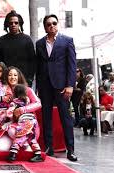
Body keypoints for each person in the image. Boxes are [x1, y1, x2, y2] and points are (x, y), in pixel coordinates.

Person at [35, 14, 77, 161]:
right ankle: (48, 148)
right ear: (45, 27)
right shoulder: (39, 43)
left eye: (54, 23)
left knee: (66, 118)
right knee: (46, 118)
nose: (51, 26)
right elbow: (39, 67)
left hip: (62, 86)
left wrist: (70, 85)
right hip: (45, 86)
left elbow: (72, 65)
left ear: (57, 24)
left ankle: (70, 150)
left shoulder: (67, 41)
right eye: (48, 24)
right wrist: (38, 87)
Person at [0, 67, 42, 162]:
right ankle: (19, 146)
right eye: (10, 75)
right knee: (0, 147)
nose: (12, 77)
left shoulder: (26, 90)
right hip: (6, 127)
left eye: (15, 75)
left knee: (12, 130)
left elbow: (38, 103)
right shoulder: (0, 90)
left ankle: (25, 146)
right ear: (6, 77)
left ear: (19, 77)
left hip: (26, 125)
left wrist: (23, 109)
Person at [4, 84, 43, 162]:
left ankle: (13, 154)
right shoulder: (27, 100)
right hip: (33, 120)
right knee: (31, 138)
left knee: (20, 136)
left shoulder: (14, 102)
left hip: (24, 121)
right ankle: (38, 154)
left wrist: (5, 114)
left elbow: (9, 113)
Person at [0, 10, 36, 86]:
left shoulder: (27, 39)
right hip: (6, 81)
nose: (13, 24)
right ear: (7, 25)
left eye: (16, 23)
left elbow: (33, 61)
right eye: (11, 23)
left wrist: (30, 79)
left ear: (20, 24)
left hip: (24, 81)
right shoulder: (1, 41)